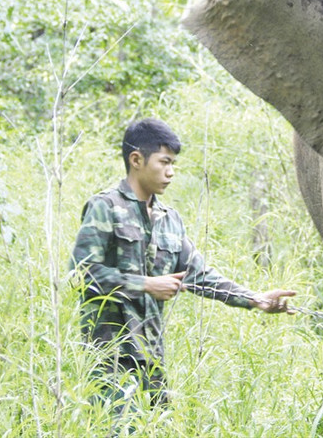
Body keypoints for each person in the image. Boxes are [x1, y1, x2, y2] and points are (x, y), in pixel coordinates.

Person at [71, 117, 295, 417]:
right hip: (109, 359)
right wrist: (147, 284)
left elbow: (200, 275)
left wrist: (255, 298)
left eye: (173, 163)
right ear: (136, 159)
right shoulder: (105, 207)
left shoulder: (169, 219)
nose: (171, 172)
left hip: (152, 359)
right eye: (164, 162)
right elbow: (81, 273)